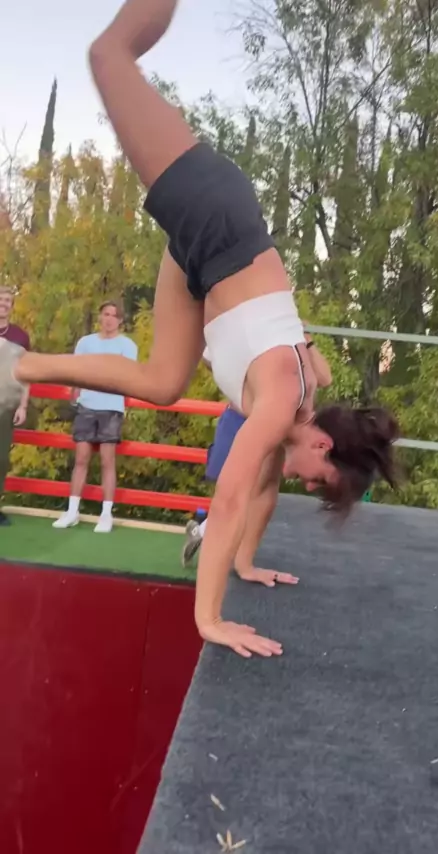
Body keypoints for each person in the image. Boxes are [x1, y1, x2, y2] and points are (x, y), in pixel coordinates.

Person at [0, 0, 398, 658]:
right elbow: (232, 498)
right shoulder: (282, 398)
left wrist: (246, 564)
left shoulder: (298, 404)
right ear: (323, 446)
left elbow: (261, 492)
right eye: (316, 480)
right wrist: (208, 619)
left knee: (164, 382)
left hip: (201, 260)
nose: (302, 483)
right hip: (214, 215)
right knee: (109, 56)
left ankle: (22, 366)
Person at [182, 327, 333, 576]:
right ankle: (208, 537)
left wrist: (306, 340)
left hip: (261, 405)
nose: (308, 486)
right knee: (238, 493)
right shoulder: (287, 392)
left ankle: (210, 538)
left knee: (254, 489)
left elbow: (324, 378)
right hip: (242, 414)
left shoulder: (299, 384)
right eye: (316, 479)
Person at [53, 300, 138, 533]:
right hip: (86, 406)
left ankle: (106, 514)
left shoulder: (127, 345)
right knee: (81, 459)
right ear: (100, 316)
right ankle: (72, 511)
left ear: (120, 320)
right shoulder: (86, 342)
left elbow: (127, 375)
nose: (109, 319)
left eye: (114, 315)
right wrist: (75, 392)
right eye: (105, 314)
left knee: (107, 461)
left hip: (111, 407)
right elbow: (76, 372)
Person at [0, 286, 30, 526]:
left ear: (12, 306)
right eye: (0, 299)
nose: (3, 303)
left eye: (8, 300)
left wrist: (23, 406)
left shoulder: (20, 337)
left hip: (6, 405)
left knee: (1, 459)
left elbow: (26, 374)